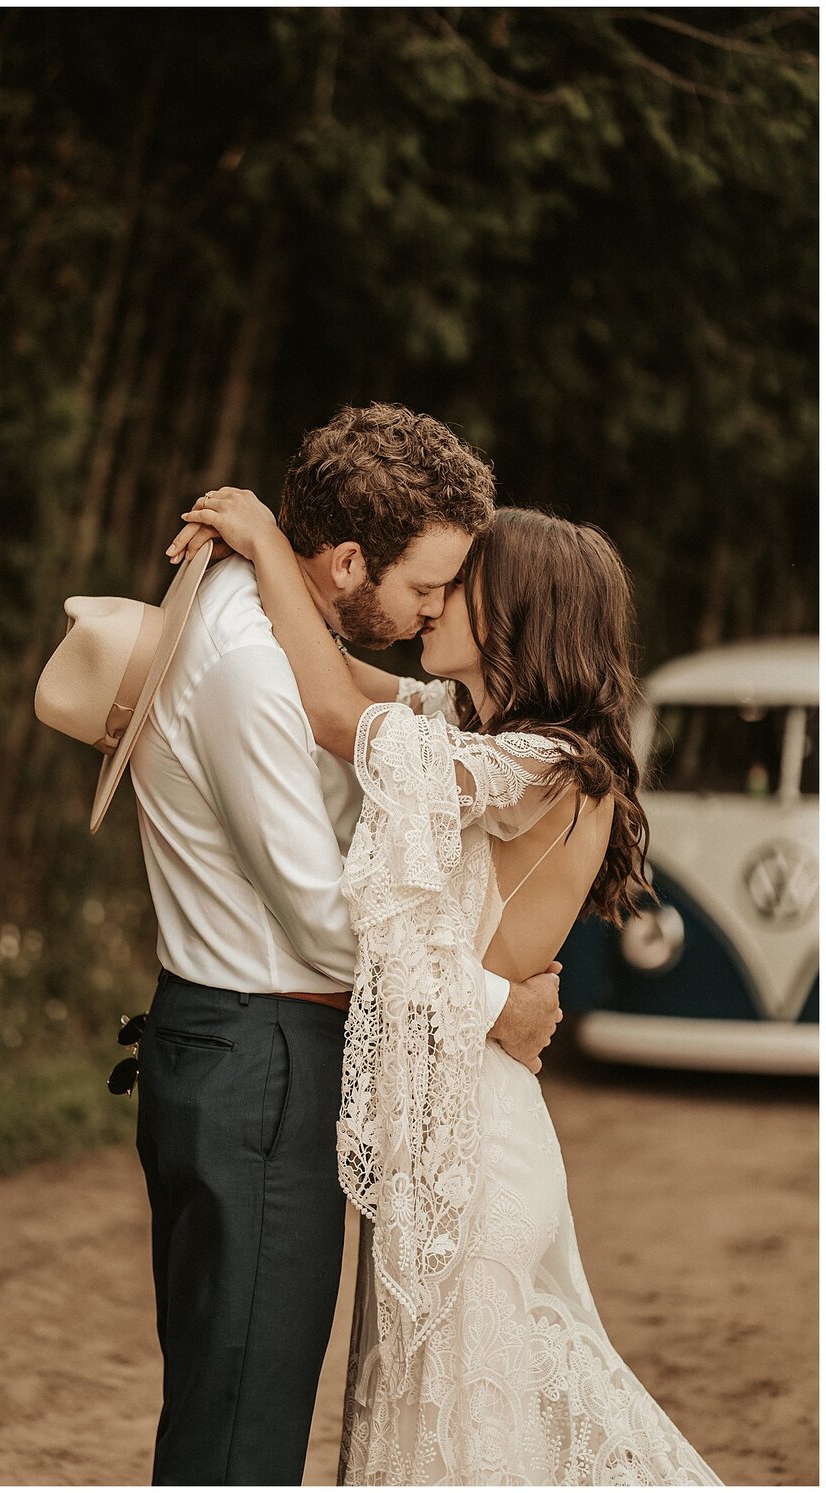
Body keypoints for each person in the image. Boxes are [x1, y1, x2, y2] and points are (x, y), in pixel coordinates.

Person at [169, 489, 723, 1486]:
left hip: (478, 1147)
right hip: (438, 1136)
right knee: (420, 1424)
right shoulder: (461, 730)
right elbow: (330, 669)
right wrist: (272, 566)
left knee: (464, 1440)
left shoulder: (543, 765)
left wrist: (255, 531)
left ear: (514, 613)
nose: (430, 607)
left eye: (456, 588)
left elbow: (337, 712)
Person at [129, 404, 564, 1486]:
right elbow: (327, 913)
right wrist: (488, 1002)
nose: (435, 610)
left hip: (248, 1048)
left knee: (235, 1397)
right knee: (241, 1426)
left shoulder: (280, 632)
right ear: (347, 558)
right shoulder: (250, 665)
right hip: (262, 1057)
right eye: (428, 585)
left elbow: (400, 724)